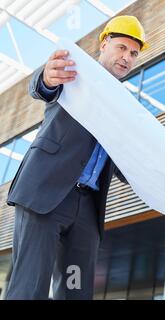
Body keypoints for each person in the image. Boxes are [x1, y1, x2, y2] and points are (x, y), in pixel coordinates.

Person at [5, 15, 149, 300]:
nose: (127, 57)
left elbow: (122, 163)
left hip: (87, 208)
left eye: (133, 53)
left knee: (76, 291)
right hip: (47, 192)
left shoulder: (126, 106)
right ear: (104, 43)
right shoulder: (74, 72)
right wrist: (46, 77)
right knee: (29, 287)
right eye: (121, 47)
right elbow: (43, 86)